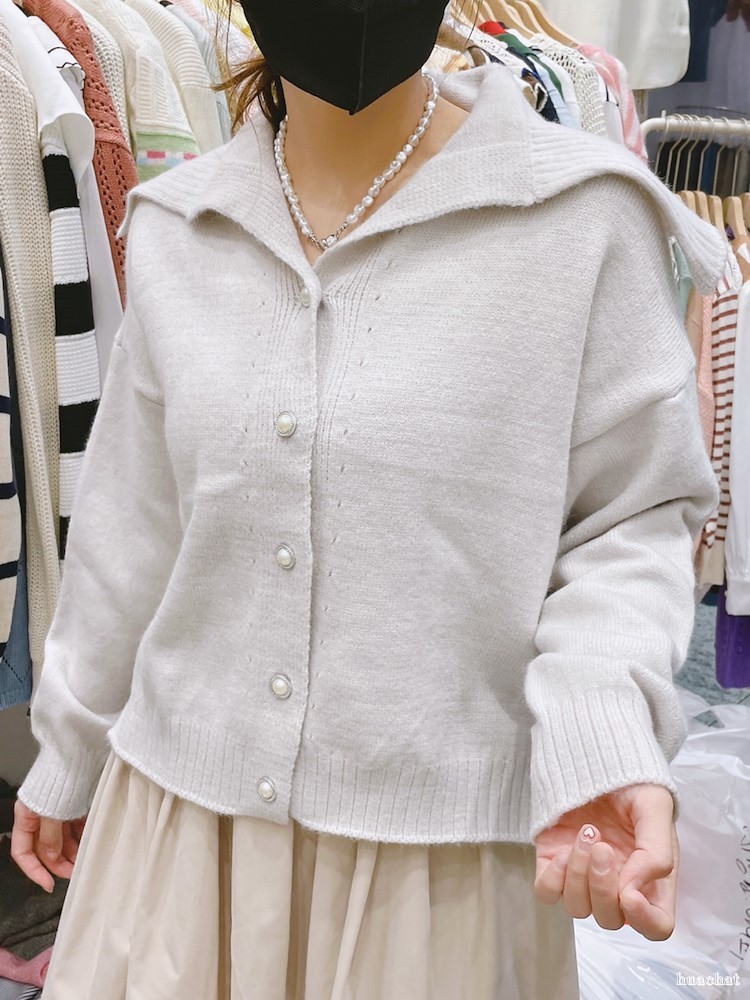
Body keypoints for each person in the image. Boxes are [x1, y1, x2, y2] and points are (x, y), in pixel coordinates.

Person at [10, 1, 726, 997]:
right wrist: (71, 750)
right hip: (177, 842)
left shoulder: (578, 218)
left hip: (435, 874)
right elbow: (128, 537)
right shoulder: (181, 226)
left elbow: (628, 519)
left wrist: (601, 733)